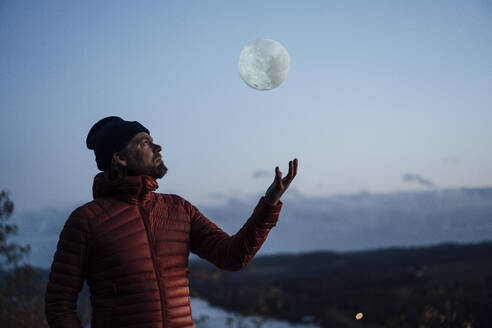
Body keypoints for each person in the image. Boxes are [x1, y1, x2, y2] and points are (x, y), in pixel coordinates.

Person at [44, 116, 298, 328]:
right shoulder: (86, 221)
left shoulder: (178, 209)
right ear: (119, 157)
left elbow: (232, 256)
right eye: (145, 143)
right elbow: (59, 305)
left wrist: (269, 203)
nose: (158, 148)